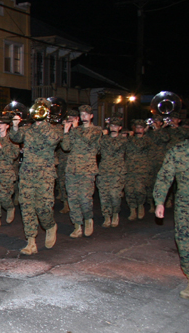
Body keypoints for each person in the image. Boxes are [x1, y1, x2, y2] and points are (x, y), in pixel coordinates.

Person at [8, 98, 63, 255]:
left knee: (44, 208)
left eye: (42, 109)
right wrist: (15, 125)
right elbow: (16, 138)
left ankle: (50, 226)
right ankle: (31, 241)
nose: (39, 111)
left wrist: (42, 123)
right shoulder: (28, 130)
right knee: (27, 208)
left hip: (44, 175)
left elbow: (54, 140)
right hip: (27, 174)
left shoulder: (54, 129)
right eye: (37, 109)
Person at [153, 140, 189, 300]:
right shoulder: (179, 150)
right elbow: (165, 176)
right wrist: (159, 201)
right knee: (184, 244)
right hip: (185, 206)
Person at [61, 104, 102, 238]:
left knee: (84, 198)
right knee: (73, 199)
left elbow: (88, 141)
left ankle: (88, 219)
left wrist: (75, 128)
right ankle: (77, 225)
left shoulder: (96, 130)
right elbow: (66, 147)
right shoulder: (74, 130)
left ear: (91, 116)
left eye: (86, 114)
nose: (83, 116)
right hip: (72, 169)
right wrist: (66, 132)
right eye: (82, 114)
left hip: (87, 170)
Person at [97, 117, 127, 227]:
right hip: (104, 171)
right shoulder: (103, 139)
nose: (113, 128)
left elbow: (113, 147)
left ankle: (115, 214)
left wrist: (103, 136)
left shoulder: (122, 139)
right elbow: (97, 149)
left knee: (115, 196)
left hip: (117, 172)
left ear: (120, 128)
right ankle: (106, 216)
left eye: (115, 126)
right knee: (104, 196)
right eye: (111, 125)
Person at [124, 119, 154, 220]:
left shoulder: (147, 139)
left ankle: (140, 205)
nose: (138, 129)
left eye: (140, 127)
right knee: (129, 190)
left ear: (144, 129)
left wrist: (131, 137)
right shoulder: (129, 139)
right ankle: (133, 209)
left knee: (140, 190)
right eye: (137, 127)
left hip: (142, 170)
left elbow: (139, 146)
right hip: (129, 169)